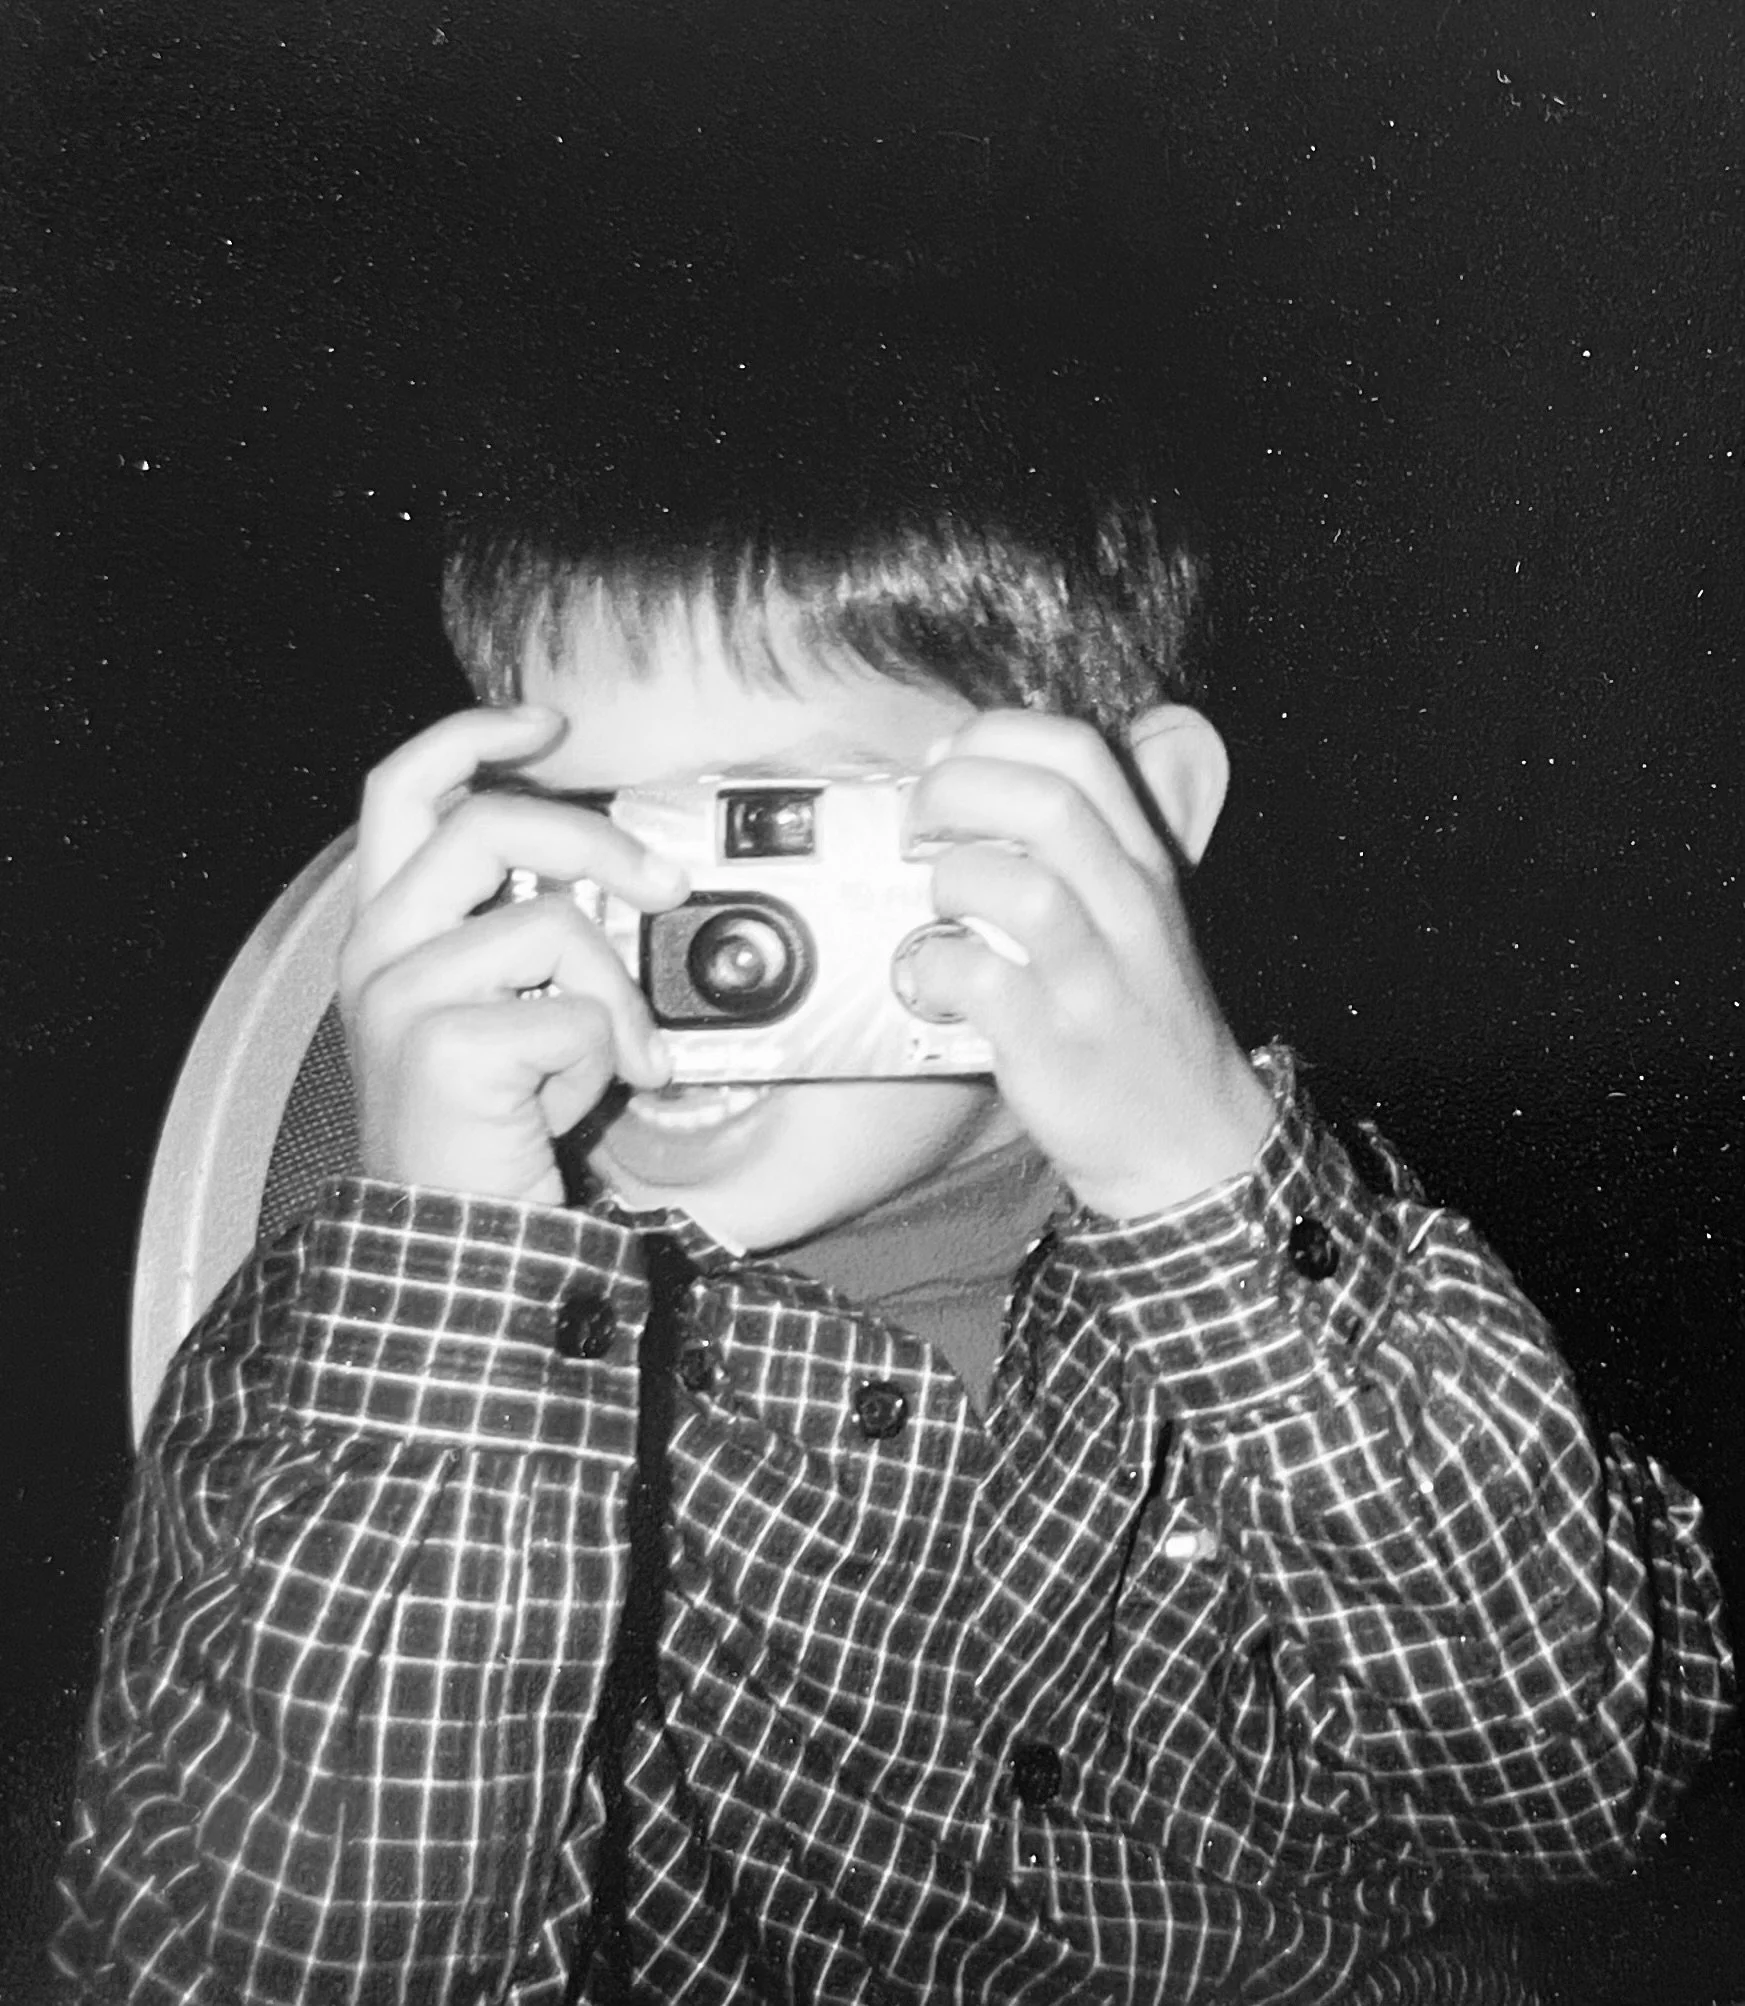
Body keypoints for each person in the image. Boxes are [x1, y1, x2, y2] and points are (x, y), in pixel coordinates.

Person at [53, 372, 1732, 2003]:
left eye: (764, 825)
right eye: (582, 830)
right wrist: (456, 1291)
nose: (676, 946)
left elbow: (1577, 1788)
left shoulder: (1314, 1273)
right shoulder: (349, 1358)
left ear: (1131, 814)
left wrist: (1196, 1172)